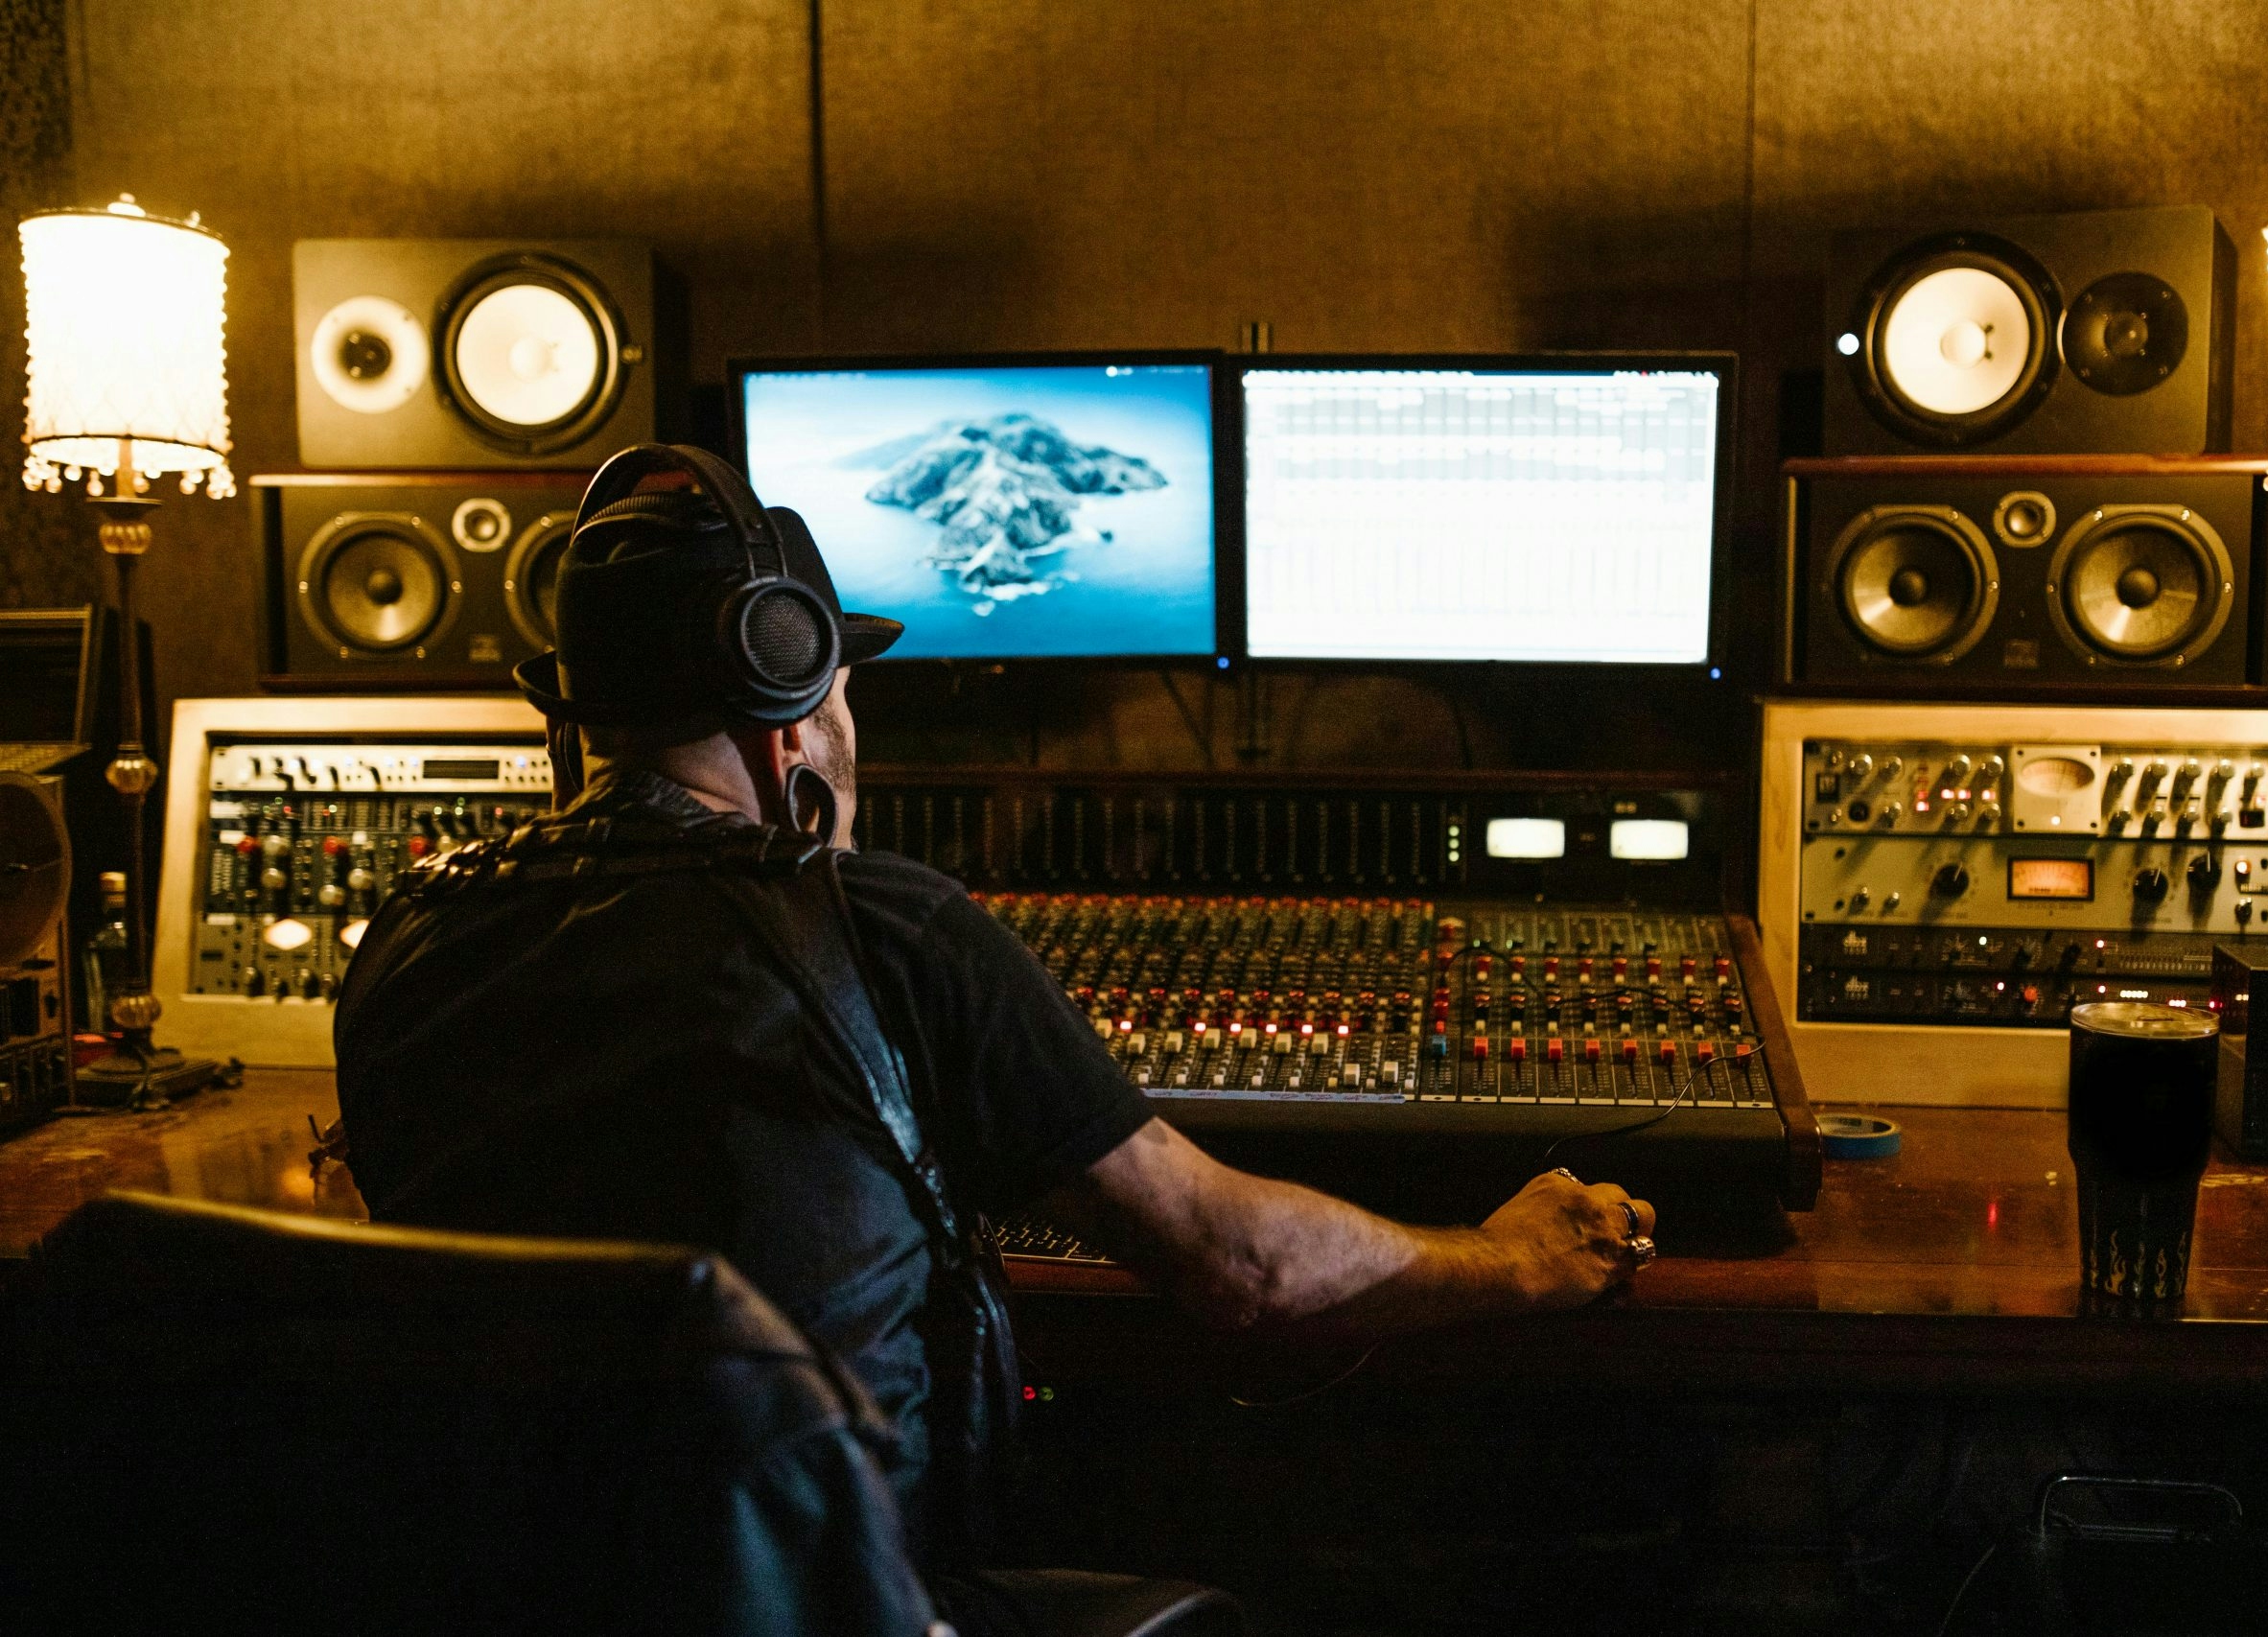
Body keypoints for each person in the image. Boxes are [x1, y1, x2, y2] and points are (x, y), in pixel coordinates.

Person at [332, 446, 1656, 1592]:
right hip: (854, 1598)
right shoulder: (889, 932)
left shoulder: (405, 943)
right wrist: (1509, 1258)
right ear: (792, 704)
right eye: (842, 685)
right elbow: (1237, 1268)